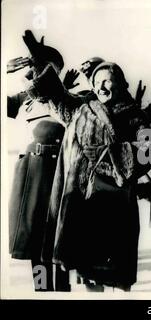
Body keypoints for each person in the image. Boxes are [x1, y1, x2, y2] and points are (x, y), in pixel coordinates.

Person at [36, 61, 151, 291]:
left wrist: (110, 154)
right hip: (83, 202)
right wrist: (39, 62)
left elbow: (149, 151)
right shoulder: (83, 110)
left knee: (113, 272)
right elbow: (57, 98)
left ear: (120, 83)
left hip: (115, 204)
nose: (102, 87)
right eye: (97, 83)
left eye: (108, 81)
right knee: (87, 270)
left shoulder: (135, 116)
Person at [7, 30, 67, 291]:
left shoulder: (66, 95)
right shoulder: (23, 97)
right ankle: (42, 291)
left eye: (46, 67)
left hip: (58, 170)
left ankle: (62, 293)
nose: (38, 71)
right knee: (34, 239)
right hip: (31, 169)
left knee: (58, 238)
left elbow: (53, 93)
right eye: (36, 65)